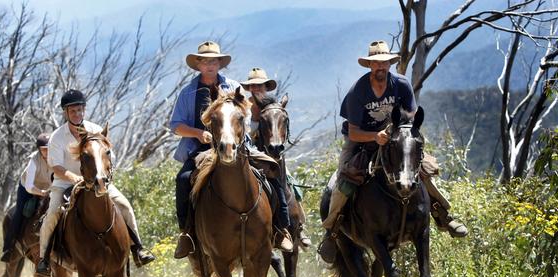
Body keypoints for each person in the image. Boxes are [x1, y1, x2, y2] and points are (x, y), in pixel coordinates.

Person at [318, 40, 468, 263]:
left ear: (390, 64)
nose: (381, 67)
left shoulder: (401, 84)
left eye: (385, 63)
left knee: (422, 169)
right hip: (361, 140)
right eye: (376, 64)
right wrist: (374, 137)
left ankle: (443, 214)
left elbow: (411, 118)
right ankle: (331, 231)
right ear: (369, 65)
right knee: (343, 179)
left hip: (395, 138)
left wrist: (399, 135)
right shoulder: (358, 92)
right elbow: (353, 132)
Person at [170, 41, 292, 260]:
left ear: (219, 63)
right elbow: (176, 126)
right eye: (205, 61)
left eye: (214, 61)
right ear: (198, 64)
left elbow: (245, 115)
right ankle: (187, 234)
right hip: (201, 150)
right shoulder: (188, 93)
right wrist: (199, 134)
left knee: (271, 170)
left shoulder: (234, 87)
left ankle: (281, 228)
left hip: (239, 145)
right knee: (183, 179)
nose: (210, 65)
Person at [36, 89, 155, 276]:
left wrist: (104, 176)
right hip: (65, 183)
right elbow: (56, 167)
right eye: (73, 111)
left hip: (97, 179)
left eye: (80, 110)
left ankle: (138, 248)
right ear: (65, 113)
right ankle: (44, 259)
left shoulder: (96, 130)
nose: (77, 114)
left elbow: (108, 157)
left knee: (124, 205)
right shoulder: (58, 137)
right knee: (52, 214)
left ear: (84, 110)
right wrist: (75, 178)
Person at [240, 67, 312, 247]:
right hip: (249, 156)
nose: (257, 89)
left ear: (266, 87)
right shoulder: (244, 109)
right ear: (249, 89)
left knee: (290, 184)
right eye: (253, 86)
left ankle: (297, 225)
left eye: (261, 85)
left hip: (270, 155)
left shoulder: (272, 108)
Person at [0, 133, 53, 262]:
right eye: (43, 149)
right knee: (19, 212)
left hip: (48, 189)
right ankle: (9, 247)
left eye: (48, 148)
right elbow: (29, 186)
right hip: (28, 189)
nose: (46, 151)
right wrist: (42, 193)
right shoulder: (33, 161)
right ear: (39, 149)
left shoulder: (57, 158)